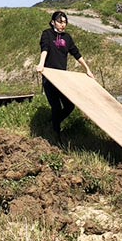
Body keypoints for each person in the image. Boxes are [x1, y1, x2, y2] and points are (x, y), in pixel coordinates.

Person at [36, 11, 94, 143]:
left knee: (69, 106)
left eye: (65, 22)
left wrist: (88, 69)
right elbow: (44, 49)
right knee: (56, 107)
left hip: (62, 79)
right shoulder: (47, 34)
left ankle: (53, 123)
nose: (63, 25)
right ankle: (56, 135)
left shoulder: (67, 38)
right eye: (60, 22)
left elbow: (76, 54)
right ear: (53, 22)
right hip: (50, 77)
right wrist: (41, 64)